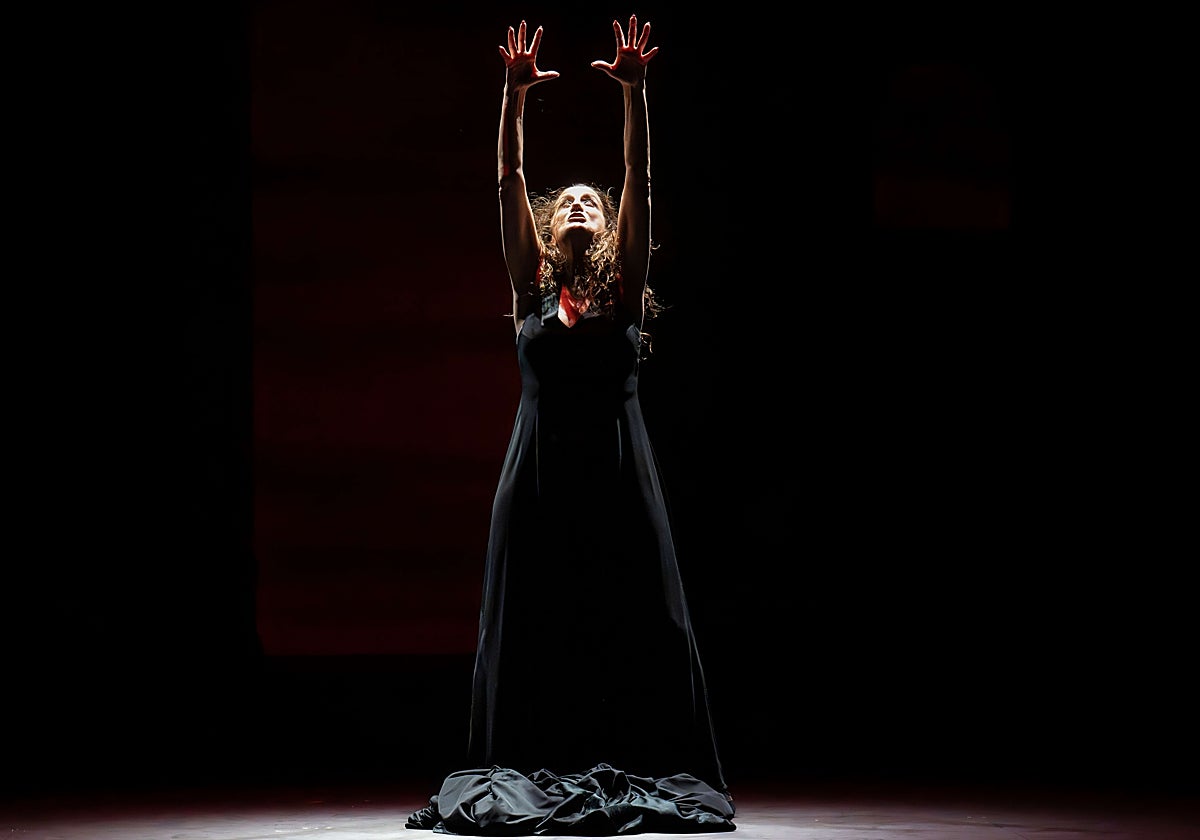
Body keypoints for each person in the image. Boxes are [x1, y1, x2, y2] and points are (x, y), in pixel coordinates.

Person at [406, 16, 735, 835]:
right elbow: (508, 181)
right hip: (539, 481)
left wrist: (637, 94)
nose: (586, 204)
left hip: (623, 480)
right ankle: (526, 758)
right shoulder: (530, 294)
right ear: (551, 234)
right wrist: (512, 101)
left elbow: (639, 179)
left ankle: (639, 755)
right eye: (572, 203)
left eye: (597, 200)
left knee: (632, 618)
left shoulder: (623, 291)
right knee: (535, 621)